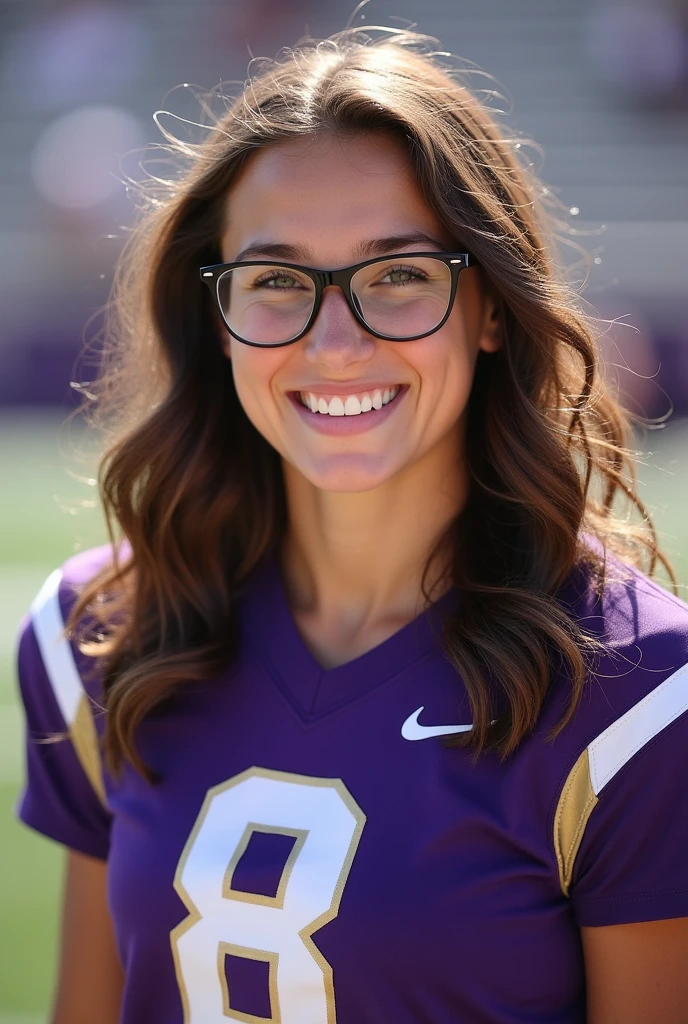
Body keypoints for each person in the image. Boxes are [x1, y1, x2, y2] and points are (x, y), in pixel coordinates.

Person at [15, 25, 688, 1024]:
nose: (336, 344)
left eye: (400, 275)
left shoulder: (636, 696)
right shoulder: (100, 633)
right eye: (278, 280)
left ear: (490, 306)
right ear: (217, 311)